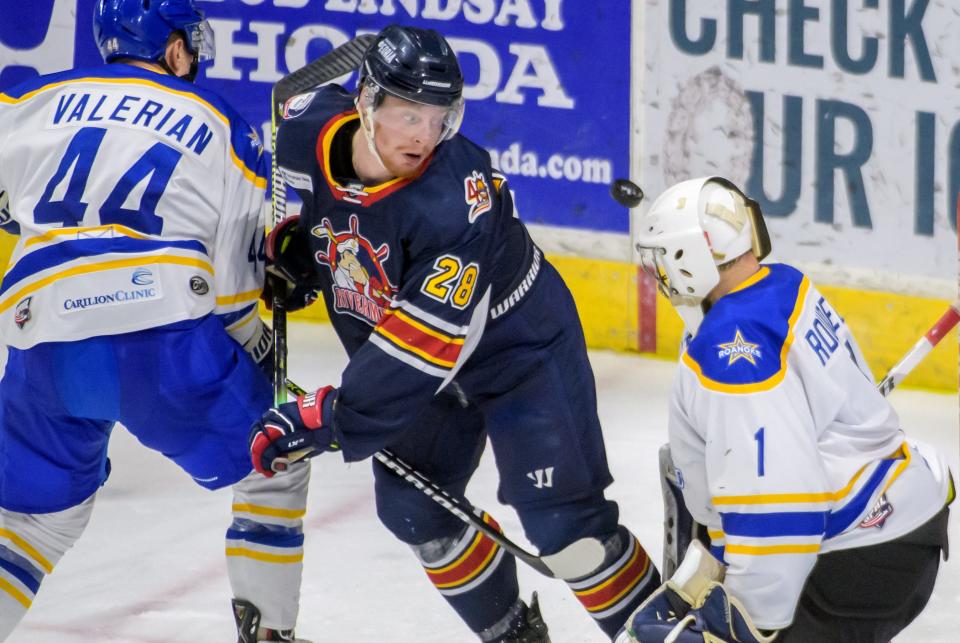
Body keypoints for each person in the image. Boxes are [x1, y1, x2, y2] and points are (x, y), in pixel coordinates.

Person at [253, 24, 661, 642]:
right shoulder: (305, 129)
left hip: (519, 350)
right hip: (418, 363)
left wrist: (332, 414)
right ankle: (513, 635)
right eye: (409, 114)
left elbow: (428, 341)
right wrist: (300, 256)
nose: (426, 135)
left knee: (567, 532)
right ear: (366, 102)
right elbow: (313, 210)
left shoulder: (453, 194)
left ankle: (674, 635)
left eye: (439, 117)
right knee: (416, 511)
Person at [0, 2, 312, 641]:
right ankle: (269, 631)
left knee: (31, 524)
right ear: (175, 50)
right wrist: (258, 357)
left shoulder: (34, 97)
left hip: (42, 334)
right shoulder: (223, 125)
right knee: (276, 456)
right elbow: (230, 294)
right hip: (160, 335)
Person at [618, 177, 954, 642]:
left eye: (662, 260)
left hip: (858, 554)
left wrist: (750, 620)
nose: (659, 275)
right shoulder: (778, 285)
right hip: (899, 522)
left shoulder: (732, 349)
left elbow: (780, 503)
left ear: (688, 259)